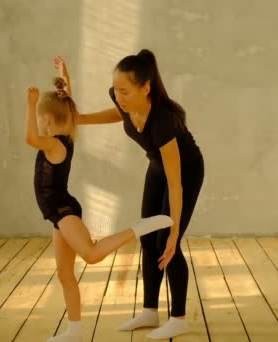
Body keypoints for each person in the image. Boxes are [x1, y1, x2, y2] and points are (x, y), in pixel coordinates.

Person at [56, 50, 205, 339]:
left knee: (166, 241)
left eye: (125, 91)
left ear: (146, 88)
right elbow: (119, 113)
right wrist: (81, 117)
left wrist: (175, 233)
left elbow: (176, 184)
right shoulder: (123, 99)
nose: (119, 96)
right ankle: (150, 310)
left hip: (185, 172)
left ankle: (179, 318)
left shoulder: (163, 121)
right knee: (147, 237)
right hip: (157, 167)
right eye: (116, 90)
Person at [25, 77, 174, 342]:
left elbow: (30, 138)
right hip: (57, 214)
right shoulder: (64, 136)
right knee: (64, 273)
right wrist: (67, 79)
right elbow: (68, 110)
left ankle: (139, 228)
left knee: (92, 254)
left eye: (39, 117)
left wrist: (30, 104)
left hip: (63, 210)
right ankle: (74, 332)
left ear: (47, 119)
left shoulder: (53, 144)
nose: (37, 121)